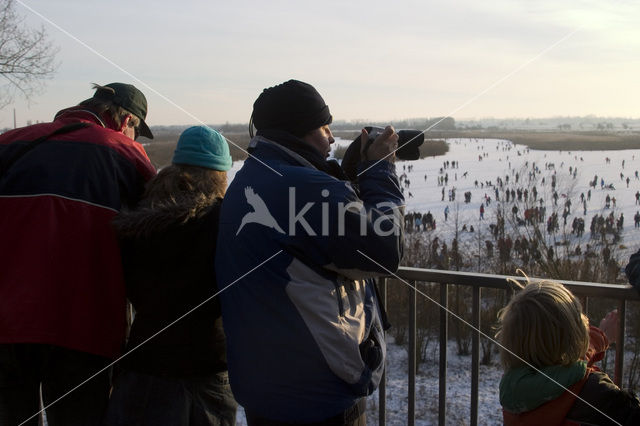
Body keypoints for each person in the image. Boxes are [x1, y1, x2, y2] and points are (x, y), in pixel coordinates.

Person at [215, 79, 403, 424]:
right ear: (298, 131)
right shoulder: (300, 186)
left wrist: (344, 179)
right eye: (324, 126)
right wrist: (379, 170)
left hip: (269, 390)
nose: (331, 137)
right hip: (318, 396)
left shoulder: (251, 177)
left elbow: (312, 240)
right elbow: (384, 249)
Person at [0, 83, 156, 425]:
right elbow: (155, 242)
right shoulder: (125, 152)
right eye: (135, 131)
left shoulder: (11, 142)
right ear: (126, 119)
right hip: (84, 328)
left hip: (6, 325)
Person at [104, 126, 236, 425]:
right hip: (207, 368)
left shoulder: (138, 222)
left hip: (143, 365)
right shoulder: (223, 221)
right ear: (220, 175)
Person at [497, 280, 640, 425]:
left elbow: (560, 371)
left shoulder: (513, 390)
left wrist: (601, 336)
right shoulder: (600, 394)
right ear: (576, 334)